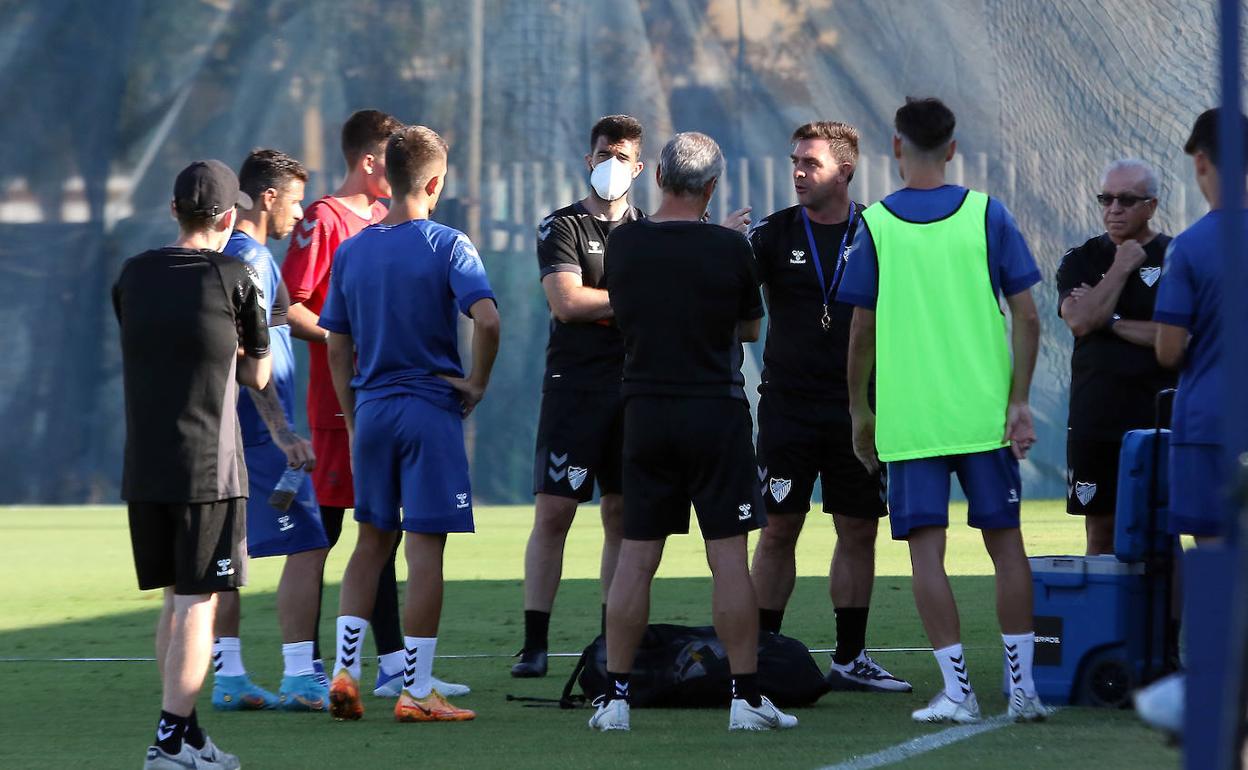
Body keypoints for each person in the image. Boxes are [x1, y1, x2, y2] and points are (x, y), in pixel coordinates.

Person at [516, 115, 753, 677]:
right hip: (574, 387)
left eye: (622, 156)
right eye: (603, 154)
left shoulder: (645, 230)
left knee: (623, 517)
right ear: (587, 159)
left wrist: (647, 292)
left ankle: (608, 648)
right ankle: (534, 643)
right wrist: (650, 296)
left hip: (636, 386)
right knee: (555, 511)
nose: (611, 165)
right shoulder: (562, 225)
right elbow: (567, 304)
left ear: (643, 168)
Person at [838, 98, 1050, 724]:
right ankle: (1023, 691)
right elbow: (1029, 316)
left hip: (911, 422)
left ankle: (959, 693)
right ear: (953, 148)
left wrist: (859, 409)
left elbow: (861, 330)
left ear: (896, 147)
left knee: (925, 554)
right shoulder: (988, 214)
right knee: (1006, 549)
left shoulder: (874, 223)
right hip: (982, 415)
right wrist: (1018, 401)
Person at [592, 131, 797, 733]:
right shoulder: (731, 249)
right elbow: (752, 330)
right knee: (728, 556)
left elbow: (624, 313)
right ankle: (745, 699)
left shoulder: (624, 243)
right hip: (715, 412)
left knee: (636, 558)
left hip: (645, 411)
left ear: (657, 178)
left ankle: (615, 700)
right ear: (711, 188)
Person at [282, 109, 467, 697]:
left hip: (369, 402)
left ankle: (384, 669)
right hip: (348, 405)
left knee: (375, 536)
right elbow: (296, 309)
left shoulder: (383, 228)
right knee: (325, 537)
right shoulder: (327, 221)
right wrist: (359, 339)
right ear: (372, 161)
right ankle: (304, 668)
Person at [322, 125, 500, 723]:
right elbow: (489, 320)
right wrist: (476, 383)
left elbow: (336, 347)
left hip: (370, 411)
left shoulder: (352, 249)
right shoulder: (449, 243)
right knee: (425, 549)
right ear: (432, 182)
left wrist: (351, 416)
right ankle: (417, 691)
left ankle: (345, 672)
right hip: (428, 411)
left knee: (369, 541)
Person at [114, 159, 268, 769]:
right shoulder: (237, 274)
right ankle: (170, 740)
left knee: (176, 600)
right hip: (209, 468)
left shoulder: (133, 274)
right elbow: (258, 373)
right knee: (199, 604)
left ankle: (190, 735)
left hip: (146, 465)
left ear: (173, 209)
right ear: (230, 217)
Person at [748, 120, 910, 693]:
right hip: (788, 409)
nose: (797, 171)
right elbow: (734, 303)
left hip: (859, 410)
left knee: (858, 529)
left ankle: (850, 657)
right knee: (777, 530)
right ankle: (761, 656)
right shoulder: (769, 235)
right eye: (794, 160)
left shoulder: (878, 232)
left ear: (844, 171)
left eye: (810, 163)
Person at [1136, 108, 1248, 734]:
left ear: (1202, 162)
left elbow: (1170, 350)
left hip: (1210, 424)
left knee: (1212, 559)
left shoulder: (1193, 246)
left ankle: (1212, 688)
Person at [210, 149, 332, 713]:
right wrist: (283, 433)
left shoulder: (228, 252)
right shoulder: (253, 259)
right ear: (268, 197)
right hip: (262, 435)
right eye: (296, 198)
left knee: (227, 557)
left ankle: (229, 678)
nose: (301, 211)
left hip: (229, 430)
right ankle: (301, 676)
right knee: (308, 544)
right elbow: (249, 355)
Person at [1056, 158, 1175, 555]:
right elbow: (1080, 321)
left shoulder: (1177, 258)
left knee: (1160, 533)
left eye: (1126, 199)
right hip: (1096, 419)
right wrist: (1120, 268)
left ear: (1151, 206)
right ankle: (1106, 619)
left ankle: (1167, 621)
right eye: (1106, 199)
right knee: (1101, 533)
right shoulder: (1081, 259)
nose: (1114, 208)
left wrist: (1111, 319)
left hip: (1157, 418)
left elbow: (1179, 339)